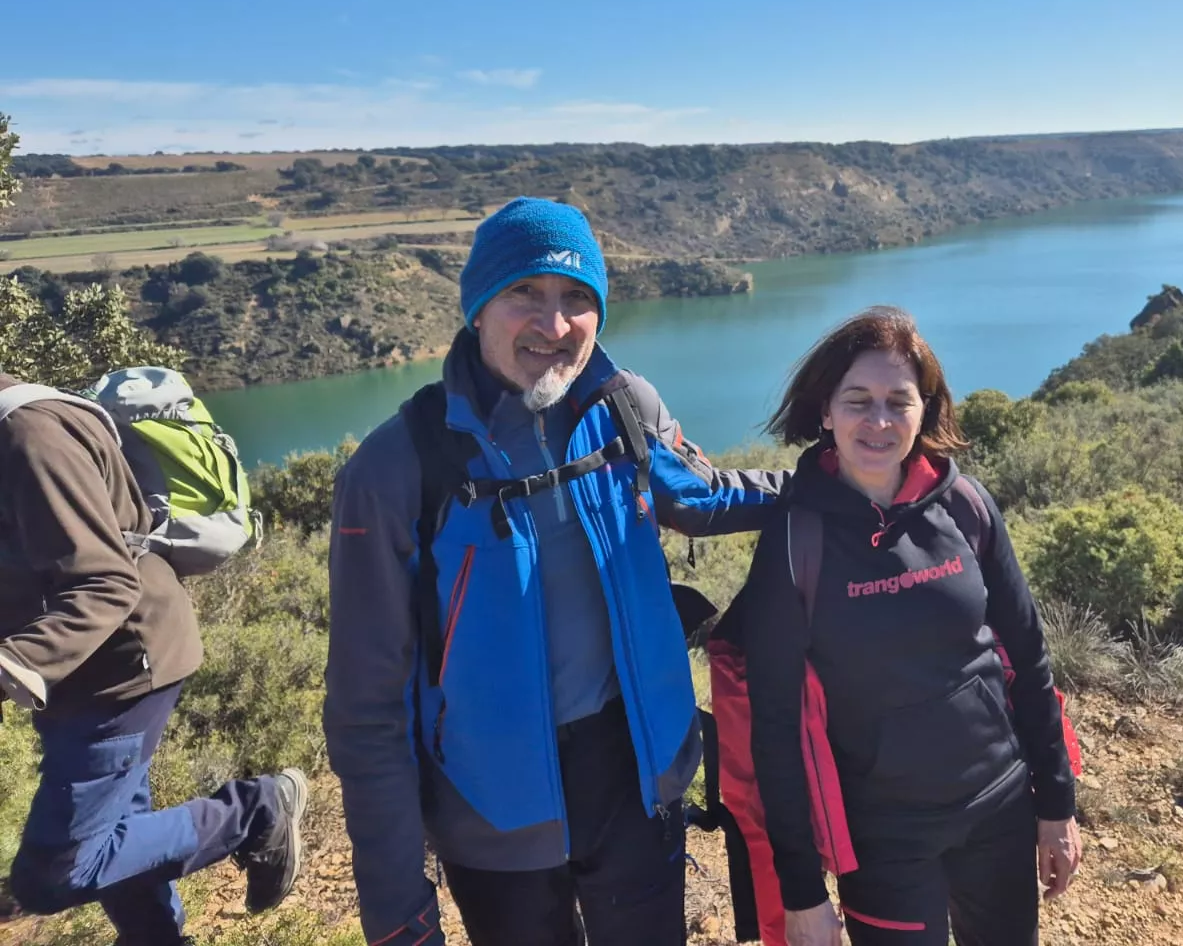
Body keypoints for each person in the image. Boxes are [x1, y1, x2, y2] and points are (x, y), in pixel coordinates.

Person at [324, 198, 787, 946]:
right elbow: (365, 705)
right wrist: (395, 909)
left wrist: (831, 486)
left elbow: (697, 495)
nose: (554, 323)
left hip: (637, 778)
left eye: (577, 298)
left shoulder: (625, 406)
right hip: (490, 806)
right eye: (524, 293)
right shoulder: (397, 466)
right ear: (477, 309)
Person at [741, 308, 1079, 946]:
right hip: (883, 839)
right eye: (857, 400)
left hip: (999, 808)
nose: (878, 421)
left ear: (925, 411)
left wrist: (1056, 804)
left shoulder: (966, 506)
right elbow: (776, 728)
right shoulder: (795, 538)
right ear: (825, 412)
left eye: (899, 402)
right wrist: (803, 894)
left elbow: (1030, 660)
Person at [0, 374, 306, 945]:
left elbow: (104, 583)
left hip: (121, 668)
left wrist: (14, 662)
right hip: (83, 673)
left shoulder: (28, 435)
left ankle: (256, 811)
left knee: (54, 874)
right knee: (121, 834)